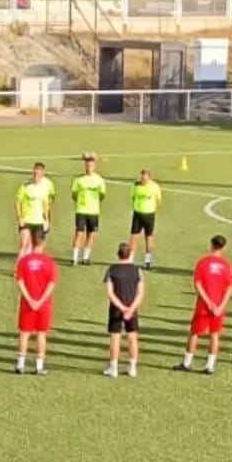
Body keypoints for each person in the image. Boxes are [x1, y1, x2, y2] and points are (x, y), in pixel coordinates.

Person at [176, 235, 232, 375]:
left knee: (195, 333)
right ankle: (210, 366)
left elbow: (198, 284)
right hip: (219, 305)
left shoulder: (203, 262)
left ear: (211, 245)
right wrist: (221, 306)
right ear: (224, 247)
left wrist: (208, 302)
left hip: (203, 305)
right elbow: (229, 287)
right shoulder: (226, 265)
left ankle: (187, 363)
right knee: (215, 334)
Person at [14, 233, 58, 375]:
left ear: (31, 242)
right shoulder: (49, 262)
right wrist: (40, 301)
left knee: (24, 333)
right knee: (41, 334)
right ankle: (39, 366)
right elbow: (51, 284)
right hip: (43, 305)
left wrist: (29, 300)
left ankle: (20, 364)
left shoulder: (23, 261)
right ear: (44, 242)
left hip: (27, 304)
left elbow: (20, 282)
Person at [103, 242, 145, 379]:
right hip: (132, 308)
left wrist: (122, 308)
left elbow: (110, 293)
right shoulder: (137, 271)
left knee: (115, 338)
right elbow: (140, 293)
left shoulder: (111, 270)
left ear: (118, 254)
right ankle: (132, 367)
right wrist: (130, 309)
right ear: (130, 254)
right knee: (132, 337)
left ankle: (113, 368)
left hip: (116, 308)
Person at [70, 152, 107, 266]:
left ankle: (85, 257)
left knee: (91, 234)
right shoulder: (79, 179)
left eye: (91, 166)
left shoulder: (99, 180)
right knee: (79, 233)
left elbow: (102, 194)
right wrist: (80, 202)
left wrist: (94, 203)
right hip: (81, 210)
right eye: (87, 165)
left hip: (94, 212)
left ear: (94, 166)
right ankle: (74, 258)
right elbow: (74, 194)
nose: (89, 168)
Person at [15, 162, 56, 258]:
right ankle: (19, 267)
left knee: (38, 246)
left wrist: (47, 220)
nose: (36, 175)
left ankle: (34, 265)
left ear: (42, 174)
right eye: (35, 173)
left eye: (38, 173)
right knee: (24, 245)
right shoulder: (25, 186)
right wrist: (20, 217)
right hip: (26, 220)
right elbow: (17, 202)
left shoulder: (46, 187)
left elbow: (47, 203)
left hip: (39, 221)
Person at [129, 169, 162, 269]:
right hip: (138, 214)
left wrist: (153, 209)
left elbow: (159, 200)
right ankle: (130, 259)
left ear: (149, 178)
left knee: (149, 237)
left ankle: (148, 261)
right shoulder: (136, 185)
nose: (143, 180)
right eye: (142, 178)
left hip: (149, 215)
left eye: (145, 178)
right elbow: (133, 197)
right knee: (134, 237)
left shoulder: (155, 187)